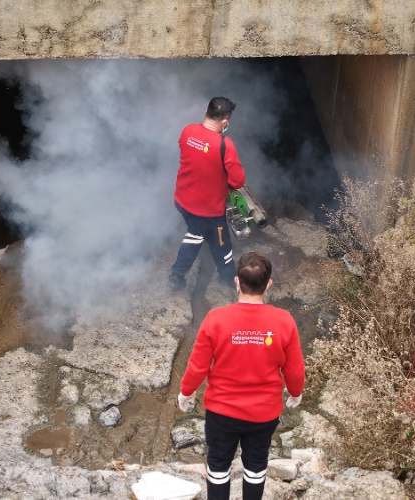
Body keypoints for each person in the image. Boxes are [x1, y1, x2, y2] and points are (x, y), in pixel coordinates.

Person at [176, 252, 305, 500]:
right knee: (256, 465)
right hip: (264, 412)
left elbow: (198, 365)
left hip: (222, 411)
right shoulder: (284, 321)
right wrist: (296, 392)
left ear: (237, 282)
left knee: (218, 464)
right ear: (268, 284)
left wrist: (186, 391)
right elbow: (295, 368)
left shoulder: (216, 319)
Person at [169, 97, 246, 291]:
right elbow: (238, 181)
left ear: (206, 111)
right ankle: (178, 276)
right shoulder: (224, 145)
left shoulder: (188, 130)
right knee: (209, 240)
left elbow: (190, 154)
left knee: (207, 236)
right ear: (225, 121)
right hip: (206, 209)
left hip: (182, 199)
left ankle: (223, 276)